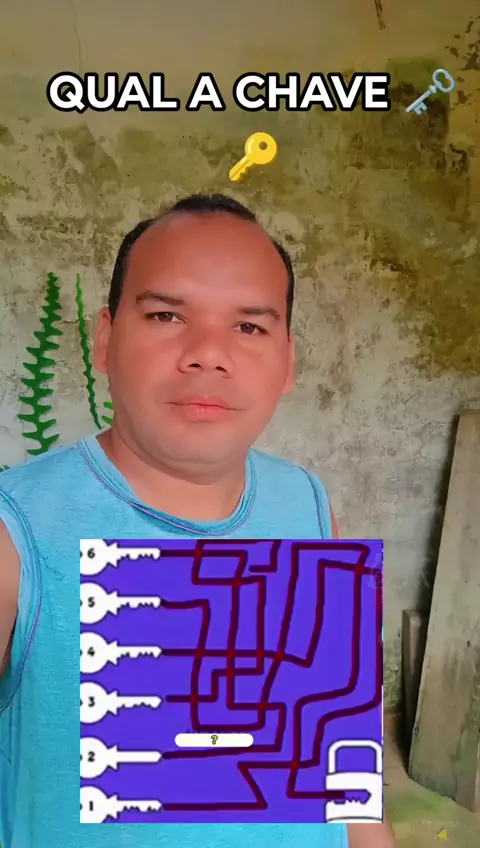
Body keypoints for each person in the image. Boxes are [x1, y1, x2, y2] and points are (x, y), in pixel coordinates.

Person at [0, 193, 396, 848]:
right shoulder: (18, 530)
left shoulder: (309, 505)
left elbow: (347, 775)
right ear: (105, 339)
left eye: (249, 327)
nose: (208, 354)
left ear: (288, 361)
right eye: (166, 315)